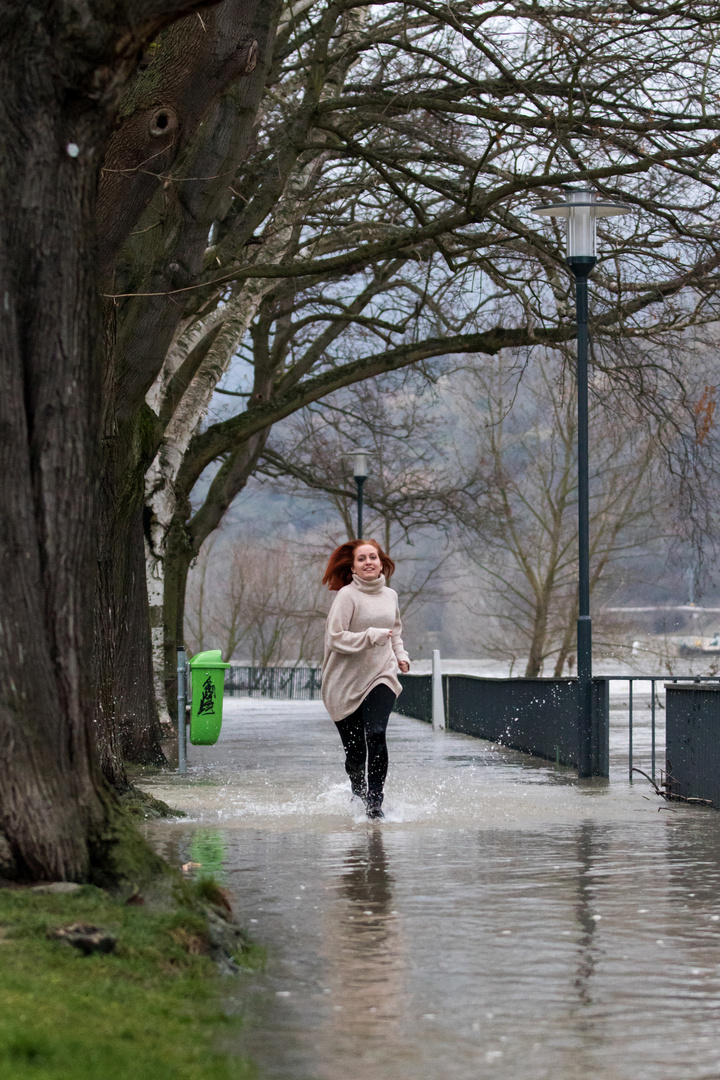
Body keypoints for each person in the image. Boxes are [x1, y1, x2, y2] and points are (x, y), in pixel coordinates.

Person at [321, 539, 410, 819]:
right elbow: (335, 639)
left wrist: (401, 655)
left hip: (381, 673)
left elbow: (394, 631)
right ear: (353, 567)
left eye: (373, 557)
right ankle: (357, 793)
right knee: (356, 754)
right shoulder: (347, 596)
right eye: (362, 559)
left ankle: (375, 803)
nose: (369, 562)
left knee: (376, 733)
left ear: (381, 563)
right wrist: (371, 635)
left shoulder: (391, 595)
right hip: (344, 682)